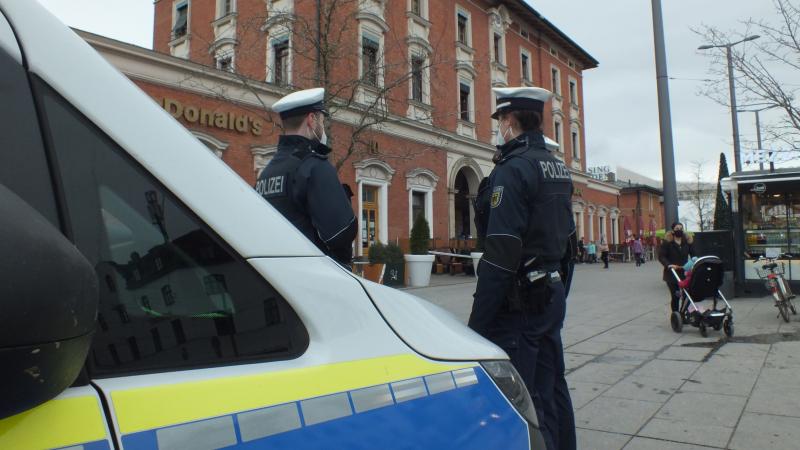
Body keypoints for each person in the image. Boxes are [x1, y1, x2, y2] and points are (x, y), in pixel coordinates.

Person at [469, 86, 575, 450]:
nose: (499, 126)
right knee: (553, 385)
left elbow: (500, 253)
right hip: (549, 292)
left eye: (500, 120)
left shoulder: (512, 170)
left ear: (510, 120)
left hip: (520, 304)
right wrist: (556, 287)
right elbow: (569, 244)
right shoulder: (556, 166)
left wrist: (477, 324)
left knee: (525, 397)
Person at [255, 88, 357, 267]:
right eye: (322, 121)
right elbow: (341, 233)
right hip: (316, 274)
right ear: (311, 120)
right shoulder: (313, 166)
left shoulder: (267, 172)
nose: (322, 128)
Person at [658, 222, 695, 312]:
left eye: (681, 228)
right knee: (676, 296)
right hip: (672, 274)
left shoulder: (687, 242)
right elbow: (661, 256)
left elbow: (694, 254)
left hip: (684, 272)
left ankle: (683, 313)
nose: (679, 230)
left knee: (687, 296)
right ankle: (676, 315)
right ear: (673, 230)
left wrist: (694, 261)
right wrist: (668, 265)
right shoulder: (667, 243)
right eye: (677, 229)